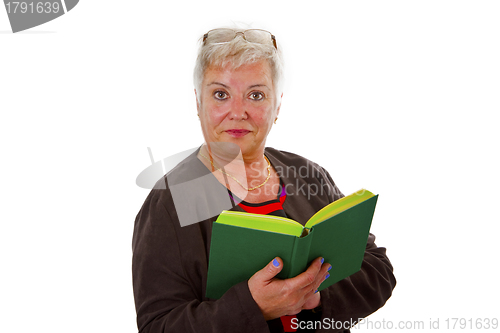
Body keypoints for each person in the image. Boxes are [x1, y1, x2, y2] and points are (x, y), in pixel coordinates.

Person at [132, 27, 396, 333]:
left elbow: (378, 269)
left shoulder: (307, 174)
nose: (238, 112)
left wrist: (314, 296)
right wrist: (253, 307)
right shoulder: (173, 200)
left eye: (255, 95)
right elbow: (158, 327)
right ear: (198, 102)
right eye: (221, 94)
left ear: (277, 106)